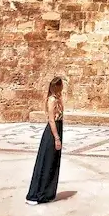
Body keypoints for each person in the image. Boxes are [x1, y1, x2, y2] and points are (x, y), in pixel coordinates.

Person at [26, 77, 64, 205]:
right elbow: (51, 120)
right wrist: (56, 138)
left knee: (53, 162)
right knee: (46, 162)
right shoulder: (51, 100)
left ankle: (47, 193)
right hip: (52, 133)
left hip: (58, 129)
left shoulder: (58, 99)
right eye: (60, 85)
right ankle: (36, 195)